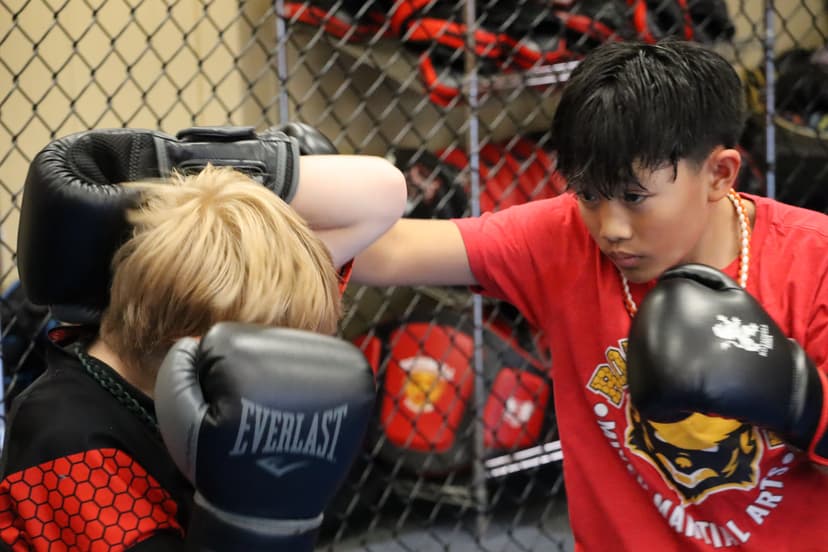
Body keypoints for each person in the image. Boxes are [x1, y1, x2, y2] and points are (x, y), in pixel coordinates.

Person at [352, 40, 828, 550]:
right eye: (589, 195)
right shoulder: (561, 238)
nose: (611, 227)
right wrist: (283, 182)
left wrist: (799, 398)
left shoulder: (813, 260)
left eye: (633, 197)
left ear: (719, 173)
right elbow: (391, 250)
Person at [0, 135, 407, 551]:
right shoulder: (69, 445)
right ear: (203, 348)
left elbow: (382, 194)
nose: (285, 371)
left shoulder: (201, 320)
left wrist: (187, 173)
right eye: (274, 355)